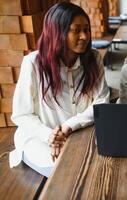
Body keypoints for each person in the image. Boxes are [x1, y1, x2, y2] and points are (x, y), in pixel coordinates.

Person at [9, 2, 110, 177]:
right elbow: (21, 114)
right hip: (39, 137)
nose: (85, 36)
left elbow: (101, 101)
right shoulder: (33, 63)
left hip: (80, 132)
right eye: (76, 30)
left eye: (86, 29)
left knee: (100, 167)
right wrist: (50, 136)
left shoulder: (93, 58)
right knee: (65, 172)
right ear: (57, 32)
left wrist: (67, 127)